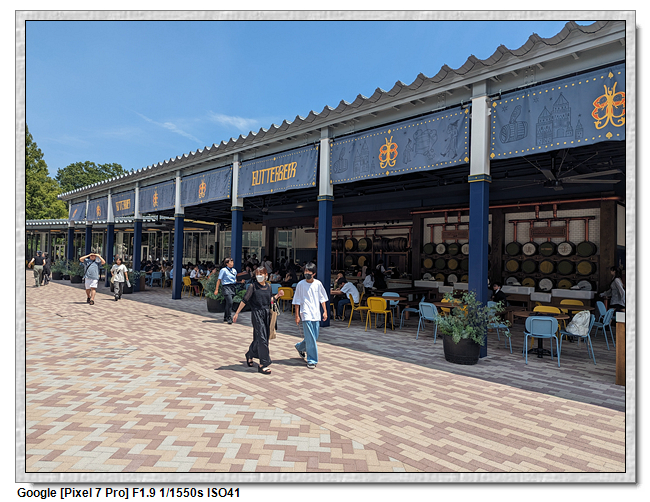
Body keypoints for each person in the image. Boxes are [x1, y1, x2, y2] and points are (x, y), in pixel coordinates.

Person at [232, 266, 285, 375]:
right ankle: (263, 364)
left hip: (266, 314)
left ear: (266, 275)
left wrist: (278, 296)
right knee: (262, 338)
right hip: (257, 313)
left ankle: (250, 354)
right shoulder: (253, 286)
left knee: (261, 338)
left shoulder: (268, 286)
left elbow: (269, 300)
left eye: (261, 274)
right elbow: (245, 300)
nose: (259, 276)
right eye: (257, 274)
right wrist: (237, 313)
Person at [292, 262, 328, 369]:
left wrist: (325, 311)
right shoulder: (300, 284)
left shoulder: (318, 284)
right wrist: (297, 315)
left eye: (309, 272)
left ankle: (300, 347)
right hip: (305, 313)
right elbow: (297, 301)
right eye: (305, 271)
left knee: (313, 337)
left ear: (314, 273)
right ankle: (312, 360)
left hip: (316, 313)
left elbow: (322, 298)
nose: (307, 274)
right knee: (311, 338)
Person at [215, 257, 239, 324]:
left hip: (233, 287)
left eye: (232, 262)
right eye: (230, 262)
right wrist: (216, 289)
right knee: (230, 302)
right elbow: (219, 280)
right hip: (226, 287)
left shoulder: (234, 270)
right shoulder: (223, 270)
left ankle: (225, 316)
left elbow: (235, 279)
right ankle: (229, 317)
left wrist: (240, 281)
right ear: (227, 263)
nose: (232, 263)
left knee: (228, 303)